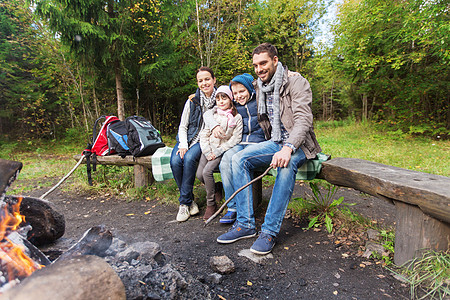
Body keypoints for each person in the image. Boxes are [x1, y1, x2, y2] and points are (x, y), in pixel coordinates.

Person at [216, 43, 322, 254]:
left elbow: (303, 120)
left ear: (275, 60)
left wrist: (288, 147)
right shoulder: (259, 86)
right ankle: (245, 224)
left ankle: (269, 231)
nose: (259, 68)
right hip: (274, 141)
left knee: (286, 164)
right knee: (239, 159)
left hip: (298, 143)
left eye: (263, 63)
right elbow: (238, 91)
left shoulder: (296, 82)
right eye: (255, 65)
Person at [215, 73, 266, 224]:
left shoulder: (260, 101)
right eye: (235, 93)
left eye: (242, 91)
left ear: (250, 89)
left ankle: (246, 209)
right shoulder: (233, 107)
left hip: (259, 143)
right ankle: (233, 207)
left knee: (239, 161)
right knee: (225, 161)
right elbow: (212, 111)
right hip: (240, 142)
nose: (239, 96)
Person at [170, 66, 217, 222]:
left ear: (214, 80)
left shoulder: (221, 98)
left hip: (203, 140)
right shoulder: (192, 101)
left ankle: (183, 204)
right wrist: (183, 144)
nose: (204, 83)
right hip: (187, 138)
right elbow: (183, 126)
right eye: (200, 80)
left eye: (207, 79)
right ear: (198, 83)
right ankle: (190, 200)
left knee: (189, 158)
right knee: (176, 160)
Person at [196, 85, 243, 220]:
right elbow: (204, 134)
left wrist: (218, 151)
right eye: (218, 99)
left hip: (221, 151)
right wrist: (207, 151)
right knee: (199, 174)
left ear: (230, 99)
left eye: (224, 98)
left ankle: (211, 204)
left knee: (207, 172)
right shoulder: (213, 116)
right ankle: (217, 187)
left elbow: (236, 138)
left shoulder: (236, 117)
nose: (221, 101)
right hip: (208, 149)